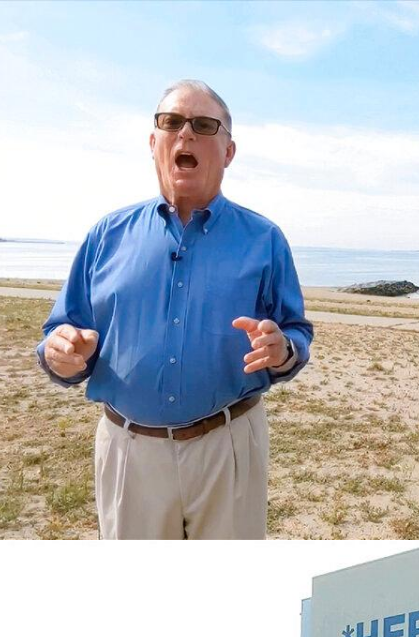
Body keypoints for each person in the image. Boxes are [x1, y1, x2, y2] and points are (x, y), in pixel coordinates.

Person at [35, 80, 312, 540]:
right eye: (172, 122)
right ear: (153, 142)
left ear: (228, 152)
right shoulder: (107, 235)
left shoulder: (265, 240)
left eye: (204, 125)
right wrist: (60, 353)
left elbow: (296, 333)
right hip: (129, 451)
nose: (186, 134)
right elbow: (60, 332)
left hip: (230, 447)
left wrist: (281, 348)